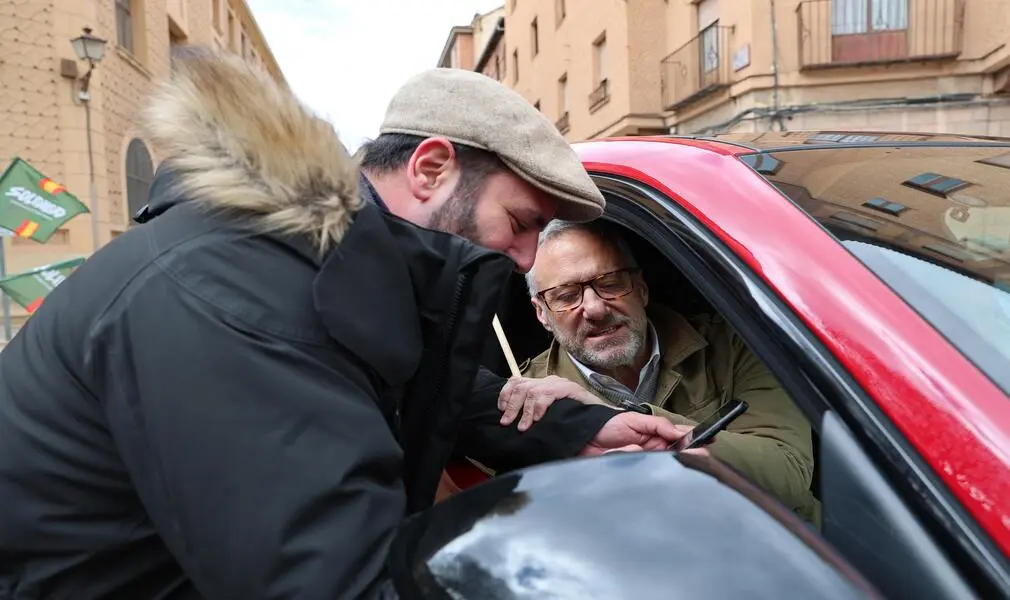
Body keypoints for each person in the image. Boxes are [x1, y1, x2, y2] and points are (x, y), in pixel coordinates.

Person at [0, 51, 698, 599]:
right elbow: (333, 580)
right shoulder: (232, 296)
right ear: (430, 169)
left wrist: (577, 428)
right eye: (519, 225)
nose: (525, 261)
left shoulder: (302, 268)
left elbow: (397, 380)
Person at [496, 219, 819, 523]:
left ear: (641, 288)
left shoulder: (735, 345)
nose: (594, 309)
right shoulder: (526, 401)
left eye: (610, 284)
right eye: (566, 297)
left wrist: (603, 416)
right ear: (541, 314)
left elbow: (787, 473)